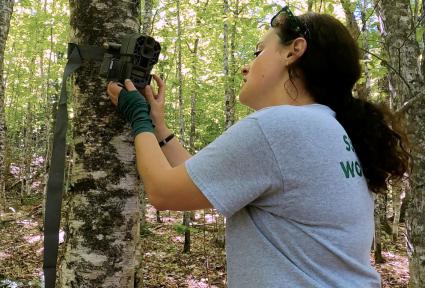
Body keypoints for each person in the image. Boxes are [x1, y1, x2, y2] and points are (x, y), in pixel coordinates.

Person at [106, 6, 410, 288]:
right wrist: (159, 127)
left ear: (294, 51)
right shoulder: (329, 127)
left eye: (258, 52)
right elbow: (203, 183)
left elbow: (163, 192)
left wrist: (138, 118)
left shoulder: (279, 126)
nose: (245, 67)